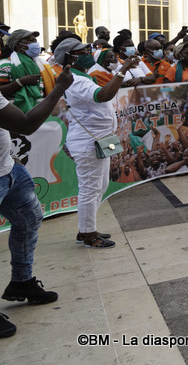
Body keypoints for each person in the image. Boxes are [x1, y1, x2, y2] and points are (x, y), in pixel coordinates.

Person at [0, 63, 73, 338]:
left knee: (29, 218)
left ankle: (21, 282)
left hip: (8, 169)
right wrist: (58, 89)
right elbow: (27, 124)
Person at [55, 38, 139, 248]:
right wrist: (123, 69)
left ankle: (86, 229)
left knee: (98, 186)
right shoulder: (77, 79)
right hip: (88, 142)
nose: (88, 53)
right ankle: (88, 234)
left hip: (98, 140)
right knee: (90, 188)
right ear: (70, 58)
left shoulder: (81, 77)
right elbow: (103, 95)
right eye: (82, 51)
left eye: (88, 49)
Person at [0, 30, 57, 112]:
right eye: (30, 40)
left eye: (35, 40)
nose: (35, 43)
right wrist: (20, 82)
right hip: (15, 114)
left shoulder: (44, 65)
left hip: (42, 112)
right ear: (18, 45)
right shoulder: (4, 65)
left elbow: (54, 83)